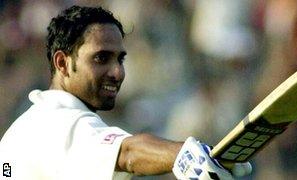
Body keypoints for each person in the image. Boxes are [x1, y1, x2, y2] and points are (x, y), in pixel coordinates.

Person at [0, 5, 251, 180]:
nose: (117, 72)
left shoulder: (23, 127)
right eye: (101, 58)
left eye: (120, 59)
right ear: (62, 63)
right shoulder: (62, 122)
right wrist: (185, 155)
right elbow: (128, 153)